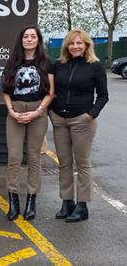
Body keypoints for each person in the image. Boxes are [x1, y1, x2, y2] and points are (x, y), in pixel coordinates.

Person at [50, 29, 108, 222]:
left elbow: (103, 95)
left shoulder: (95, 66)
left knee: (82, 163)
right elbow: (51, 90)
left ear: (86, 45)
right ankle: (67, 202)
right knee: (64, 162)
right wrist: (52, 111)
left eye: (79, 43)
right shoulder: (59, 65)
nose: (75, 46)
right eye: (72, 43)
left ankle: (82, 206)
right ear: (67, 46)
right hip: (60, 120)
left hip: (82, 121)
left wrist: (91, 115)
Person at [1, 26, 53, 221]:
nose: (29, 39)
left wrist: (38, 111)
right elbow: (5, 90)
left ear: (38, 40)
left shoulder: (46, 63)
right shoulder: (13, 62)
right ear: (21, 40)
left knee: (33, 157)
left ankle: (32, 199)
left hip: (38, 111)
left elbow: (50, 92)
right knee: (14, 157)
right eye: (26, 36)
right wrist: (12, 111)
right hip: (15, 111)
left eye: (33, 36)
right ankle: (13, 199)